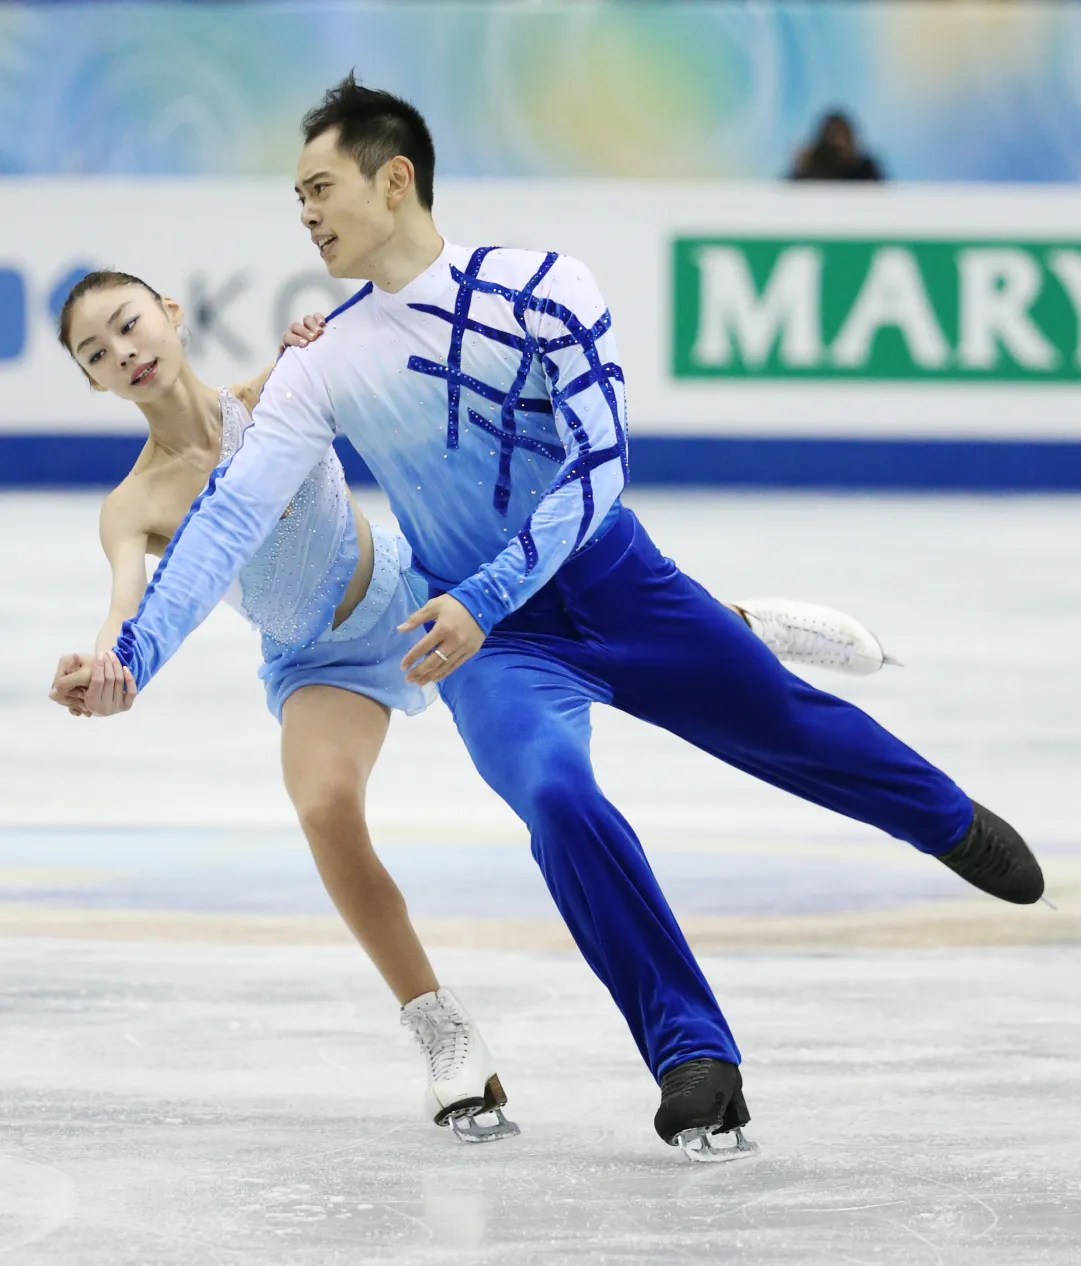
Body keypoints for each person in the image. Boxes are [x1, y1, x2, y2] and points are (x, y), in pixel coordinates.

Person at [76, 75, 1043, 1162]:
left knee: (786, 727)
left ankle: (943, 817)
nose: (302, 212)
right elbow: (225, 519)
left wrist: (485, 597)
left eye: (319, 187)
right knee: (556, 797)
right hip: (489, 646)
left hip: (603, 583)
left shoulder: (545, 287)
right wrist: (136, 658)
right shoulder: (321, 367)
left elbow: (598, 467)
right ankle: (691, 1055)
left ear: (394, 181)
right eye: (294, 195)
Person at [789, 110, 885, 182]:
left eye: (844, 137)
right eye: (834, 138)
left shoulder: (866, 169)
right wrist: (802, 169)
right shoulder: (811, 167)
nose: (840, 143)